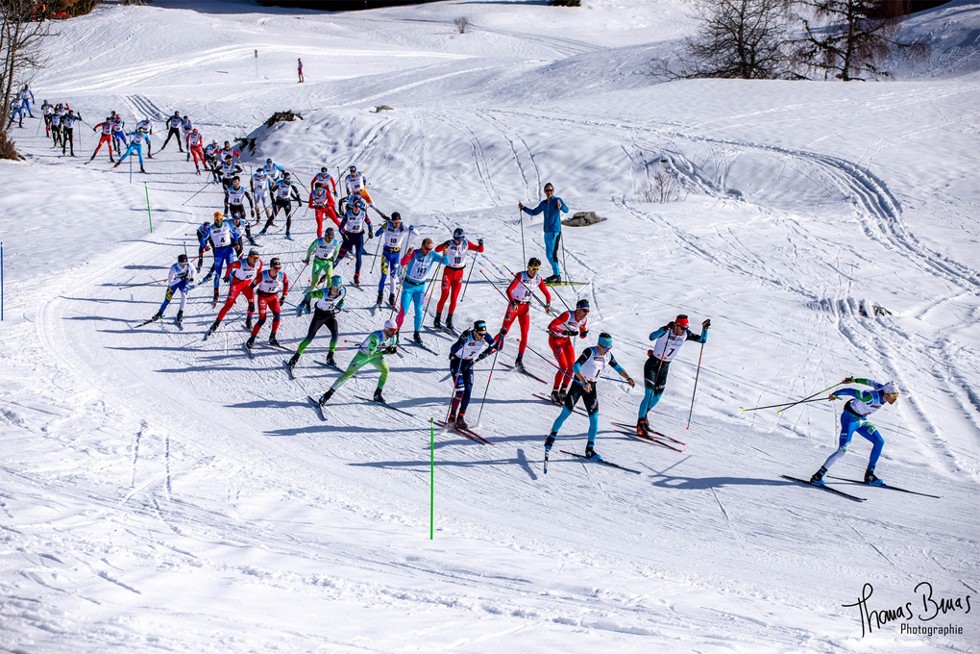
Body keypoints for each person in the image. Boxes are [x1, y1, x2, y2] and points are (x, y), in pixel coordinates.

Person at [545, 333, 635, 460]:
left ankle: (589, 449)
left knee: (594, 419)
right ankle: (551, 437)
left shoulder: (608, 355)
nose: (607, 351)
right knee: (565, 413)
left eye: (610, 348)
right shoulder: (590, 352)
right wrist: (584, 381)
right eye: (605, 348)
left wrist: (628, 377)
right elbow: (575, 366)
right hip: (579, 385)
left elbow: (618, 368)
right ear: (598, 345)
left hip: (591, 387)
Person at [809, 378, 900, 487]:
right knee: (843, 450)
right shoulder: (870, 397)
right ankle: (818, 476)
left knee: (879, 442)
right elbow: (851, 391)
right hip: (850, 420)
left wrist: (853, 379)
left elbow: (869, 382)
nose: (895, 399)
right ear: (886, 394)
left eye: (897, 396)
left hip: (861, 420)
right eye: (893, 396)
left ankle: (869, 476)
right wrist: (835, 394)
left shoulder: (883, 388)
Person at [637, 314, 709, 435]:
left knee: (657, 397)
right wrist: (664, 329)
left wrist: (705, 329)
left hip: (665, 367)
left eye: (686, 328)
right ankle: (640, 423)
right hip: (653, 364)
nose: (683, 331)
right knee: (649, 393)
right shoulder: (666, 330)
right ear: (676, 325)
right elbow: (651, 337)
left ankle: (644, 416)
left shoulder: (686, 334)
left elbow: (702, 340)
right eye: (682, 328)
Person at [317, 318, 400, 406]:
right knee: (347, 374)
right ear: (386, 329)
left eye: (396, 330)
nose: (394, 332)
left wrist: (392, 350)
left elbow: (391, 347)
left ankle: (377, 394)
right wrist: (385, 352)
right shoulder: (376, 337)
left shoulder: (393, 337)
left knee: (385, 371)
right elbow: (370, 355)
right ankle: (327, 395)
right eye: (392, 330)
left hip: (376, 355)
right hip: (363, 355)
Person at [497, 257, 552, 369]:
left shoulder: (538, 279)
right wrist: (512, 302)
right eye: (533, 268)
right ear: (528, 267)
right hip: (515, 306)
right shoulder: (521, 275)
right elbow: (509, 290)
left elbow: (547, 294)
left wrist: (547, 305)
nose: (534, 271)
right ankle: (493, 345)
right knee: (504, 330)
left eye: (537, 269)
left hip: (525, 307)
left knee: (525, 334)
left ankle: (519, 359)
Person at [447, 320, 500, 429]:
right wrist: (462, 340)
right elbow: (453, 349)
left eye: (484, 334)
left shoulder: (485, 336)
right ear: (475, 331)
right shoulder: (468, 336)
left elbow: (497, 346)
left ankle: (461, 417)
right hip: (457, 363)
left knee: (468, 391)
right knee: (460, 392)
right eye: (480, 334)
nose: (482, 337)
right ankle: (452, 417)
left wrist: (501, 337)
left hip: (469, 364)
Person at [396, 238, 450, 345]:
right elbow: (403, 263)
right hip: (408, 287)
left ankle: (416, 333)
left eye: (430, 249)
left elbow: (446, 262)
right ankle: (396, 331)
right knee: (403, 311)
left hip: (420, 288)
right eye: (427, 249)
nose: (428, 251)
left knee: (419, 312)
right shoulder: (414, 253)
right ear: (422, 246)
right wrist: (407, 255)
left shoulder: (432, 254)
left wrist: (445, 254)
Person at [289, 275, 346, 369]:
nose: (337, 288)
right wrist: (305, 305)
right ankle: (294, 358)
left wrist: (340, 303)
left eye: (339, 285)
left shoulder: (342, 291)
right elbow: (308, 295)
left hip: (330, 314)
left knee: (335, 334)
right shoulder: (322, 293)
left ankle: (330, 357)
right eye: (335, 286)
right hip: (319, 315)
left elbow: (342, 298)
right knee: (309, 337)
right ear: (331, 285)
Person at [433, 228, 484, 330]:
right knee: (444, 296)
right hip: (448, 272)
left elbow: (480, 250)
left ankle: (449, 319)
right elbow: (436, 250)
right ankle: (437, 318)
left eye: (460, 239)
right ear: (453, 238)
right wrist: (444, 245)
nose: (458, 241)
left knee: (454, 298)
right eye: (457, 239)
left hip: (459, 274)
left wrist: (481, 244)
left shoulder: (465, 243)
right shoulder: (450, 243)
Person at [518, 183, 568, 283]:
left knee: (551, 254)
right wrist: (523, 208)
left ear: (553, 191)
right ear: (545, 192)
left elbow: (566, 210)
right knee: (548, 254)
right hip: (547, 232)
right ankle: (556, 274)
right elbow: (534, 212)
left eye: (550, 190)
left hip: (555, 231)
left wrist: (560, 206)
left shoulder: (557, 200)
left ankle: (557, 275)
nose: (549, 193)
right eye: (547, 191)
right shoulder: (544, 203)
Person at [206, 249, 262, 337]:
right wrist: (227, 276)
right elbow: (230, 266)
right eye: (254, 258)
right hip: (236, 284)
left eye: (257, 258)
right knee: (228, 305)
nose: (255, 260)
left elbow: (259, 275)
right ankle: (216, 323)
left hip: (247, 284)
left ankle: (248, 320)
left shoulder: (259, 264)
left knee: (252, 304)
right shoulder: (241, 263)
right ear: (249, 257)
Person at [546, 299, 591, 402]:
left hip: (566, 341)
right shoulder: (567, 315)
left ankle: (563, 391)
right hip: (555, 340)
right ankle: (554, 392)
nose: (586, 313)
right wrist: (565, 332)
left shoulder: (583, 320)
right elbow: (551, 326)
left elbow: (581, 334)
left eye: (588, 311)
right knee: (563, 366)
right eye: (584, 310)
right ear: (578, 309)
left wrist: (583, 334)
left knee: (572, 367)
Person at [375, 211, 417, 307]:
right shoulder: (387, 225)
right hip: (386, 254)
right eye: (395, 222)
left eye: (398, 222)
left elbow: (416, 233)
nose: (397, 224)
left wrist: (412, 228)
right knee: (384, 276)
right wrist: (382, 229)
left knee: (393, 277)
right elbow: (376, 234)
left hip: (396, 255)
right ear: (392, 221)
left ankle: (392, 296)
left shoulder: (403, 226)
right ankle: (380, 295)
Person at [246, 257, 289, 349]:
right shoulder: (263, 275)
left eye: (279, 268)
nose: (277, 270)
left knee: (277, 317)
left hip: (274, 297)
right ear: (271, 267)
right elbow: (251, 287)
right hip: (263, 298)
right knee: (262, 319)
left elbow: (286, 284)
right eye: (275, 268)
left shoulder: (282, 275)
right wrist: (251, 302)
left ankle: (272, 337)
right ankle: (252, 338)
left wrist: (283, 296)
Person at [199, 211, 240, 305]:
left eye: (219, 219)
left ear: (222, 219)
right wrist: (205, 246)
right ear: (214, 219)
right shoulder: (210, 229)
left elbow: (235, 234)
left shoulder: (227, 225)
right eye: (216, 219)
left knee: (230, 272)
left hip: (229, 250)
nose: (218, 221)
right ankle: (216, 293)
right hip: (219, 252)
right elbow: (202, 240)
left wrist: (236, 243)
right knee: (217, 273)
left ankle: (231, 293)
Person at [299, 228, 341, 313]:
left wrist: (334, 258)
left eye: (332, 238)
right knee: (314, 283)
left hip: (328, 262)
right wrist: (307, 258)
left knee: (330, 279)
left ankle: (328, 300)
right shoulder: (319, 241)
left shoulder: (335, 242)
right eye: (329, 238)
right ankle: (306, 301)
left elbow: (336, 250)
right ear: (325, 236)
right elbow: (310, 249)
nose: (330, 240)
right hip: (318, 262)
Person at [334, 195, 374, 285]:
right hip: (349, 236)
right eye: (356, 206)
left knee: (358, 255)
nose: (357, 209)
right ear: (352, 205)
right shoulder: (348, 213)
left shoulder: (363, 213)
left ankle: (356, 275)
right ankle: (331, 268)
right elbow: (340, 228)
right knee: (340, 256)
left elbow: (369, 224)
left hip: (359, 237)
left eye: (359, 206)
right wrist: (343, 235)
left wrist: (370, 232)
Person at [147, 254, 195, 328]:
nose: (183, 266)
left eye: (185, 264)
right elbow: (170, 283)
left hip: (184, 281)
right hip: (174, 283)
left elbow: (193, 270)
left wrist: (192, 277)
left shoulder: (189, 265)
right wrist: (179, 279)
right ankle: (160, 313)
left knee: (184, 296)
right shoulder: (174, 268)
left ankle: (180, 313)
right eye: (182, 264)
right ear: (178, 263)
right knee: (168, 298)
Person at [261, 171, 303, 239]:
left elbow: (297, 192)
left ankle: (288, 232)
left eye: (287, 179)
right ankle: (264, 229)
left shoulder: (291, 183)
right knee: (273, 216)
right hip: (279, 201)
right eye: (285, 179)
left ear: (289, 179)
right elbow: (272, 191)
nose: (286, 181)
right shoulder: (280, 183)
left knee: (288, 217)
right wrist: (273, 200)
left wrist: (299, 200)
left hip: (287, 201)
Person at [224, 175, 256, 243]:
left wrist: (252, 209)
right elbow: (226, 199)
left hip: (240, 206)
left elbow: (250, 199)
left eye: (237, 183)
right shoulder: (229, 189)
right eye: (234, 183)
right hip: (233, 207)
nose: (236, 185)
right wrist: (226, 209)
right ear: (232, 183)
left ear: (240, 183)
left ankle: (248, 235)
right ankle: (235, 236)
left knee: (244, 221)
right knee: (236, 221)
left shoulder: (243, 189)